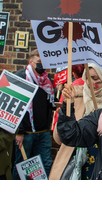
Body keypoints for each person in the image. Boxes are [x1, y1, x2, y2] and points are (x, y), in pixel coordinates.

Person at [49, 63, 102, 180]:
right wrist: (65, 115)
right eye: (88, 78)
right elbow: (59, 139)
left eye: (96, 79)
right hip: (75, 168)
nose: (91, 83)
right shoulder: (77, 98)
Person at [13, 49, 56, 179]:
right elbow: (14, 105)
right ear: (30, 61)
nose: (41, 61)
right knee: (22, 168)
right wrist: (19, 131)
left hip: (43, 133)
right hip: (26, 134)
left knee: (45, 166)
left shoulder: (47, 80)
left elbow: (49, 104)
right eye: (38, 57)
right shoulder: (20, 77)